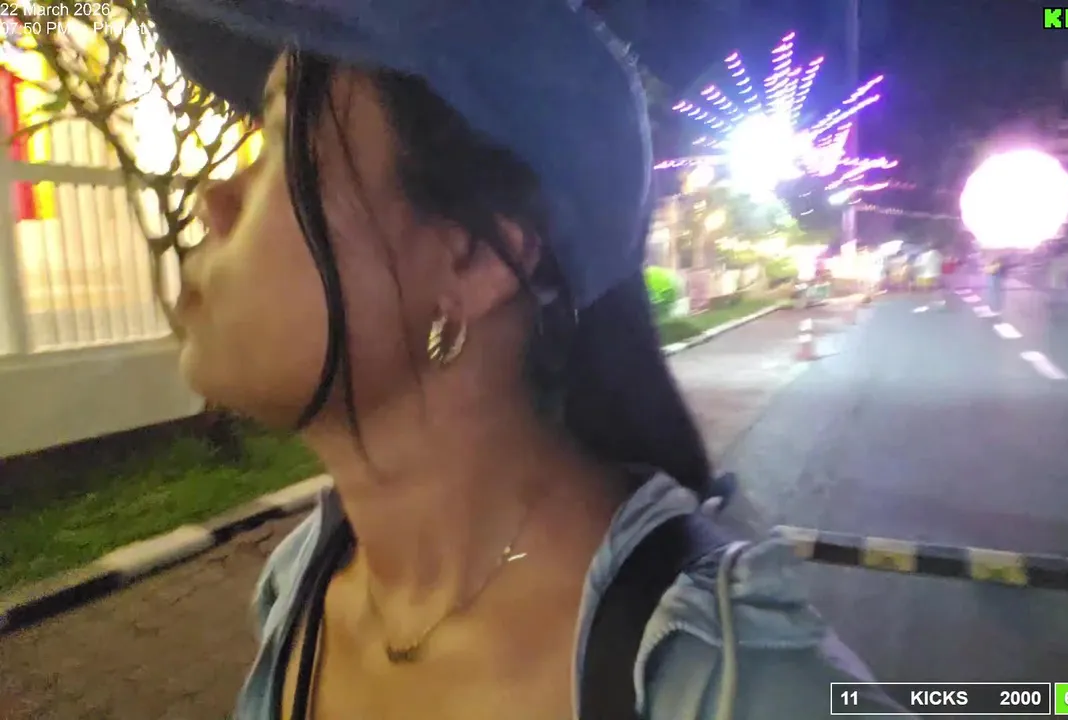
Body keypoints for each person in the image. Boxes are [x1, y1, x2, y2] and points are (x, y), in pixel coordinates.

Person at [147, 0, 906, 718]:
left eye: (283, 143)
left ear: (475, 260)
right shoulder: (298, 590)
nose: (216, 199)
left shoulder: (729, 682)